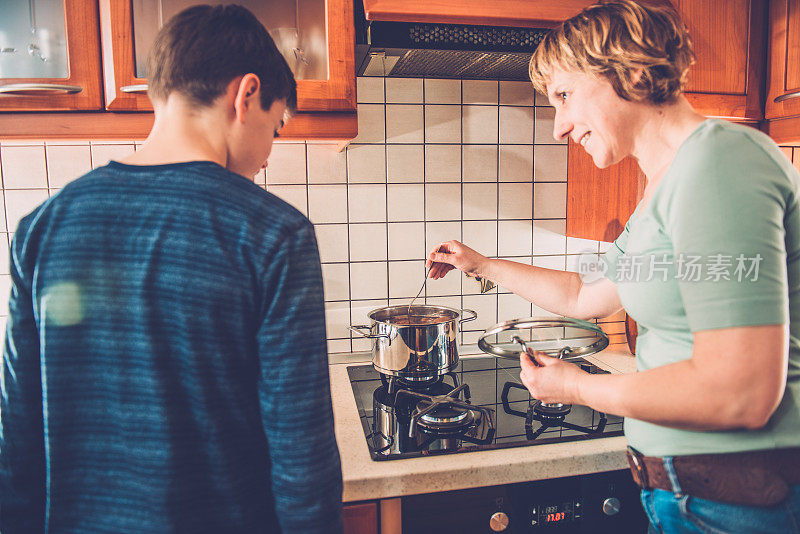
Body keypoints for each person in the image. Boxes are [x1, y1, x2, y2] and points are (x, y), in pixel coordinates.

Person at [426, 1, 800, 532]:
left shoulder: (718, 164)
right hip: (691, 496)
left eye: (563, 95)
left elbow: (739, 393)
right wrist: (481, 264)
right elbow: (586, 295)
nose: (557, 127)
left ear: (623, 70)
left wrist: (577, 388)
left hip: (740, 500)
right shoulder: (662, 187)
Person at [0, 5, 342, 533]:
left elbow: (15, 439)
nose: (268, 153)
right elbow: (302, 459)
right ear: (245, 94)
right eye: (276, 127)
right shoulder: (272, 234)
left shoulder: (42, 227)